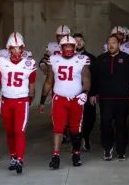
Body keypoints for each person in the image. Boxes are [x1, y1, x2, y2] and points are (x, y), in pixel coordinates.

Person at [39, 35, 91, 169]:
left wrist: (85, 93)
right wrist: (42, 100)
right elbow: (49, 81)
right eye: (65, 46)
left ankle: (76, 153)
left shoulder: (81, 59)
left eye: (70, 46)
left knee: (76, 128)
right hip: (59, 99)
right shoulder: (54, 60)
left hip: (76, 98)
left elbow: (86, 78)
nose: (68, 48)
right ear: (61, 48)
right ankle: (55, 156)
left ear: (74, 47)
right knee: (58, 128)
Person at [90, 35, 129, 161]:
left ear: (118, 45)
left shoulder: (127, 59)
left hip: (122, 98)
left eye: (113, 43)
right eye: (108, 43)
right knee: (105, 123)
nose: (111, 45)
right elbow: (94, 79)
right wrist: (92, 93)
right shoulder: (100, 60)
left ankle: (121, 151)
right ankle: (108, 149)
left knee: (121, 125)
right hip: (105, 99)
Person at [0, 35, 36, 174]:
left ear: (23, 49)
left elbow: (32, 84)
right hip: (5, 100)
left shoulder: (29, 63)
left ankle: (20, 159)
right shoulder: (2, 61)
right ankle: (13, 156)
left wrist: (30, 98)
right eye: (14, 48)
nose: (17, 51)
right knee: (10, 131)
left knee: (19, 131)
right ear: (8, 49)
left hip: (21, 101)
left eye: (19, 48)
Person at [39, 25, 71, 143]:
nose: (61, 38)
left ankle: (68, 129)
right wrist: (43, 65)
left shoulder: (72, 44)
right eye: (59, 36)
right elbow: (45, 58)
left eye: (64, 36)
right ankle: (62, 129)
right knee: (58, 105)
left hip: (70, 78)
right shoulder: (52, 46)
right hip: (56, 78)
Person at [73, 33, 96, 151]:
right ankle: (76, 141)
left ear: (84, 42)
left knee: (90, 118)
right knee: (74, 119)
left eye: (80, 40)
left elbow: (96, 77)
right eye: (76, 40)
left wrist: (94, 93)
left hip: (88, 93)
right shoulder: (67, 58)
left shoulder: (91, 58)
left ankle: (85, 137)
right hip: (72, 94)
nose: (78, 42)